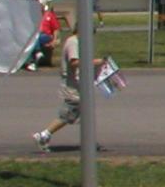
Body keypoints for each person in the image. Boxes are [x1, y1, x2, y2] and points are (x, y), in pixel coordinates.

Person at [32, 18, 110, 148]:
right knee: (69, 114)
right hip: (72, 85)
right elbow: (74, 62)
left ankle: (89, 141)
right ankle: (43, 135)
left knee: (85, 113)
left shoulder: (79, 42)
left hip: (80, 84)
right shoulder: (73, 43)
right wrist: (97, 62)